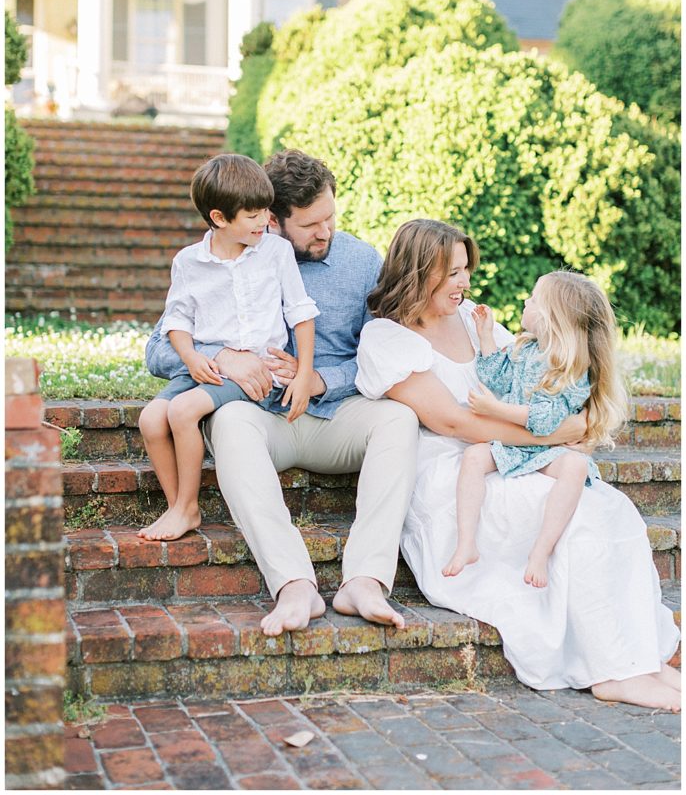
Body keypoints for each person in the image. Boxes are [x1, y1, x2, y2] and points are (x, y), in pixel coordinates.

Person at [356, 219, 680, 711]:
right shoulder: (386, 337)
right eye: (452, 274)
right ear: (419, 272)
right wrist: (554, 434)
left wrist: (579, 413)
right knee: (581, 519)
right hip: (455, 471)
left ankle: (642, 659)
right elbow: (453, 422)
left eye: (466, 270)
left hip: (513, 454)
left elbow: (541, 375)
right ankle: (613, 672)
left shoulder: (471, 321)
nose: (465, 283)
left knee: (611, 511)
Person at [145, 150, 423, 637]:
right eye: (311, 224)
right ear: (272, 220)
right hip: (262, 418)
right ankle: (294, 585)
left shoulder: (361, 262)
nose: (326, 231)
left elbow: (387, 351)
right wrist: (225, 357)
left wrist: (320, 378)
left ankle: (366, 580)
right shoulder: (224, 256)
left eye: (330, 217)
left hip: (335, 416)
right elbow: (158, 351)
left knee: (398, 419)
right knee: (228, 423)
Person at [138, 153, 319, 543]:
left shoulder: (275, 252)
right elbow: (177, 321)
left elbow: (301, 312)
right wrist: (191, 357)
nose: (264, 221)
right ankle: (179, 507)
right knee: (151, 420)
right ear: (219, 218)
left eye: (265, 211)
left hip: (259, 370)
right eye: (253, 215)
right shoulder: (189, 262)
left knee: (184, 411)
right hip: (205, 367)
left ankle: (186, 506)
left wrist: (304, 374)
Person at [443, 272, 625, 588]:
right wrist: (485, 336)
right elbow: (496, 379)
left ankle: (541, 552)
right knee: (473, 456)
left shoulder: (569, 366)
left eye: (534, 298)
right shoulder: (526, 348)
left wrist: (495, 410)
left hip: (549, 449)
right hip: (517, 445)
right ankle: (466, 544)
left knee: (576, 466)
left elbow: (543, 420)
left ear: (552, 318)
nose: (526, 300)